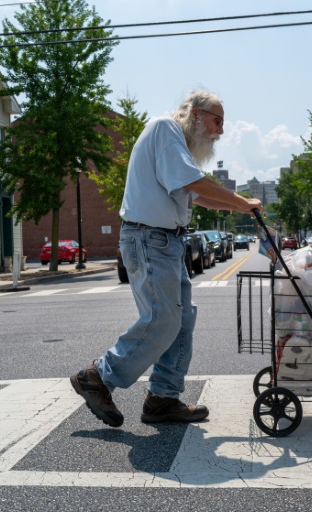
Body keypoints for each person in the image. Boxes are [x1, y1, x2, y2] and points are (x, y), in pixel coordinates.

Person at [70, 90, 263, 427]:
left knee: (182, 319)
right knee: (163, 319)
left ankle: (163, 399)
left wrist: (240, 204)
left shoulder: (178, 148)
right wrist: (239, 200)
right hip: (149, 238)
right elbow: (194, 182)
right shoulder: (165, 129)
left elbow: (199, 195)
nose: (220, 131)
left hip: (167, 242)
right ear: (196, 113)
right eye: (217, 121)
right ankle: (97, 377)